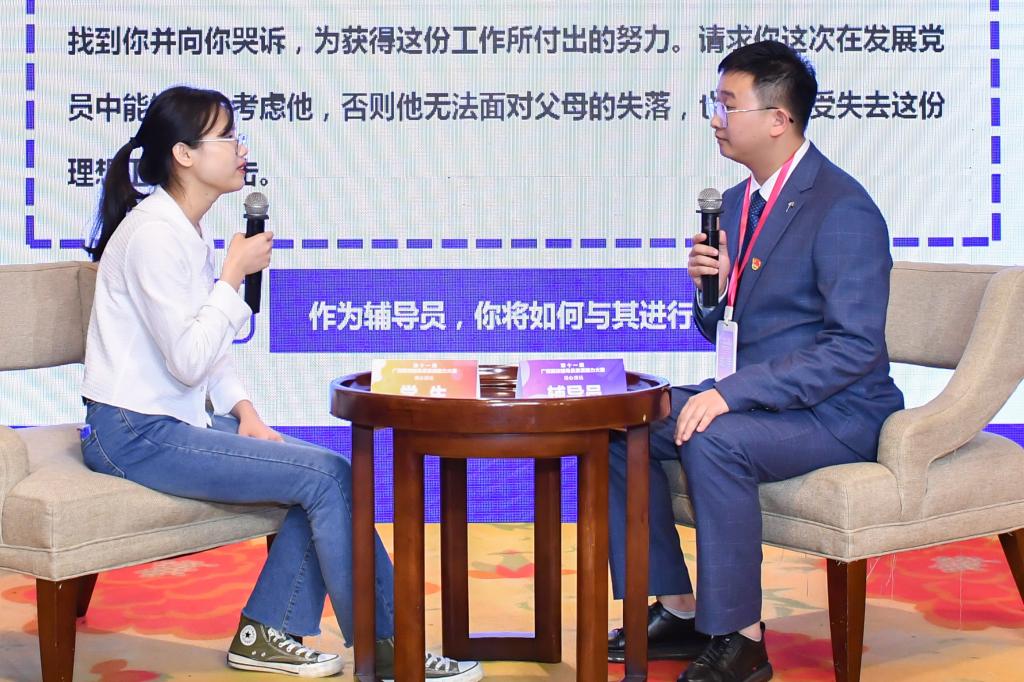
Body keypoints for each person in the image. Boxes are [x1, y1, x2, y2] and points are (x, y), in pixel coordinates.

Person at [81, 85, 483, 682]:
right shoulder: (153, 236)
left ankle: (266, 632)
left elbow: (210, 352)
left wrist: (246, 412)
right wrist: (232, 278)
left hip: (173, 422)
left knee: (321, 472)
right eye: (227, 137)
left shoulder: (187, 229)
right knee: (326, 476)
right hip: (133, 433)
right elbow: (188, 360)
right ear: (184, 155)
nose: (242, 149)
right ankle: (391, 648)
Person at [606, 41, 904, 681]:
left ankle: (740, 638)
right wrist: (708, 291)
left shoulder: (842, 208)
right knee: (618, 420)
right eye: (715, 104)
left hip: (836, 412)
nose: (715, 119)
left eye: (728, 105)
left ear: (778, 118)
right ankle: (678, 608)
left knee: (714, 438)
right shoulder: (740, 202)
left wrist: (731, 395)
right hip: (760, 397)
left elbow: (854, 347)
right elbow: (726, 327)